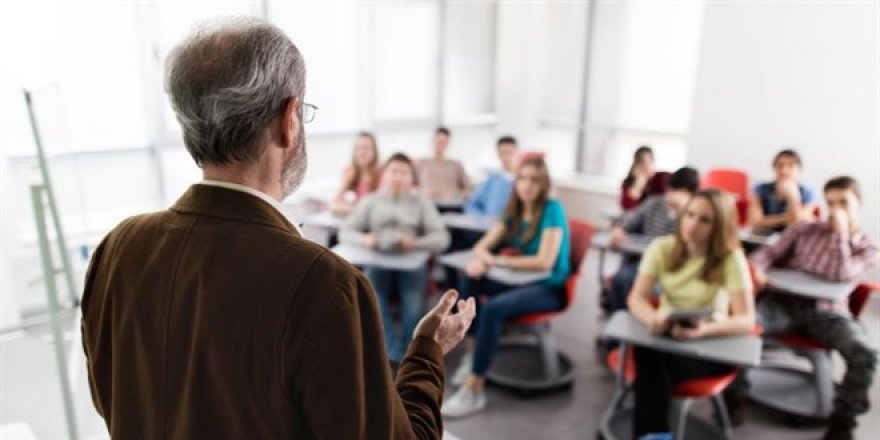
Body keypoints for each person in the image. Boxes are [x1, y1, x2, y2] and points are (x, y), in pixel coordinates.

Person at [80, 18, 476, 439]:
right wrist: (427, 354)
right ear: (289, 120)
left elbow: (115, 398)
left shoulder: (118, 249)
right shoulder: (325, 284)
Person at [748, 176, 877, 440]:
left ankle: (843, 423)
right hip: (782, 304)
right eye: (830, 203)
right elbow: (767, 253)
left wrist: (840, 234)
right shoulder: (804, 229)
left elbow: (842, 273)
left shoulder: (868, 247)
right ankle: (734, 398)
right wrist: (758, 270)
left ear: (859, 204)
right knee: (743, 327)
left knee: (864, 353)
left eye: (843, 203)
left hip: (828, 313)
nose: (836, 209)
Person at [441, 155, 571, 418]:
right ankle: (472, 354)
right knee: (469, 276)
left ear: (543, 184)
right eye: (522, 178)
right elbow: (481, 246)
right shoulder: (514, 210)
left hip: (549, 288)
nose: (527, 185)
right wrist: (481, 260)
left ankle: (474, 387)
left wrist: (496, 260)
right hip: (517, 281)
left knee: (493, 309)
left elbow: (544, 261)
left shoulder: (552, 209)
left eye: (534, 180)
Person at [627, 189, 755, 438]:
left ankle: (653, 434)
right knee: (648, 354)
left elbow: (746, 319)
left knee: (648, 371)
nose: (692, 225)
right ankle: (657, 434)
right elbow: (636, 298)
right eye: (690, 215)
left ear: (719, 226)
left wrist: (704, 330)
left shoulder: (731, 257)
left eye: (704, 220)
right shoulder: (661, 247)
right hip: (665, 335)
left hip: (709, 346)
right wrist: (652, 318)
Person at [339, 153, 451, 362]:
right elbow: (346, 231)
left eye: (404, 173)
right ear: (384, 175)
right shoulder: (371, 200)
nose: (398, 177)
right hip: (377, 259)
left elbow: (442, 238)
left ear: (411, 178)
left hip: (411, 261)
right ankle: (391, 351)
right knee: (371, 296)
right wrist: (366, 239)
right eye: (394, 172)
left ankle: (410, 350)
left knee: (413, 303)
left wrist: (415, 243)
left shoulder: (421, 202)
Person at [606, 167, 700, 312]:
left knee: (656, 291)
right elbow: (627, 224)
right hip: (642, 262)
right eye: (670, 190)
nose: (671, 196)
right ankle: (620, 320)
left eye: (679, 192)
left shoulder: (695, 214)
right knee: (621, 279)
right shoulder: (653, 203)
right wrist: (619, 230)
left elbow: (691, 246)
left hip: (671, 269)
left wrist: (683, 211)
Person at [749, 149, 818, 232]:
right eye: (780, 166)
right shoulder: (761, 188)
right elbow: (756, 222)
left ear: (799, 169)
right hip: (765, 236)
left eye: (790, 166)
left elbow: (798, 223)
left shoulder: (808, 193)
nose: (784, 171)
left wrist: (792, 194)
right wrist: (788, 217)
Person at [464, 135, 518, 219]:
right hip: (489, 227)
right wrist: (483, 219)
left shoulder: (523, 180)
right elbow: (472, 206)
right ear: (498, 154)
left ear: (517, 153)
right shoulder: (491, 180)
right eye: (502, 153)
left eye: (510, 153)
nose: (506, 157)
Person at [330, 131, 381, 216]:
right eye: (358, 148)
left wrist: (351, 208)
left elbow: (376, 209)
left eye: (366, 148)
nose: (362, 152)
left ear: (374, 152)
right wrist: (346, 181)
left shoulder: (382, 173)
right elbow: (334, 206)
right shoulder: (350, 171)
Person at [417, 127, 471, 203]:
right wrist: (423, 192)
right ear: (432, 141)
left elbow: (469, 191)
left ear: (448, 144)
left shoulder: (456, 165)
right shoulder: (421, 163)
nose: (439, 146)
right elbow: (410, 188)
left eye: (443, 143)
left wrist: (452, 195)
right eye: (438, 142)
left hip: (450, 204)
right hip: (427, 204)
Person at [620, 145, 669, 211]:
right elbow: (627, 208)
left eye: (648, 162)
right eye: (642, 163)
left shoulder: (662, 177)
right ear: (635, 164)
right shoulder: (629, 182)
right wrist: (637, 186)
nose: (646, 166)